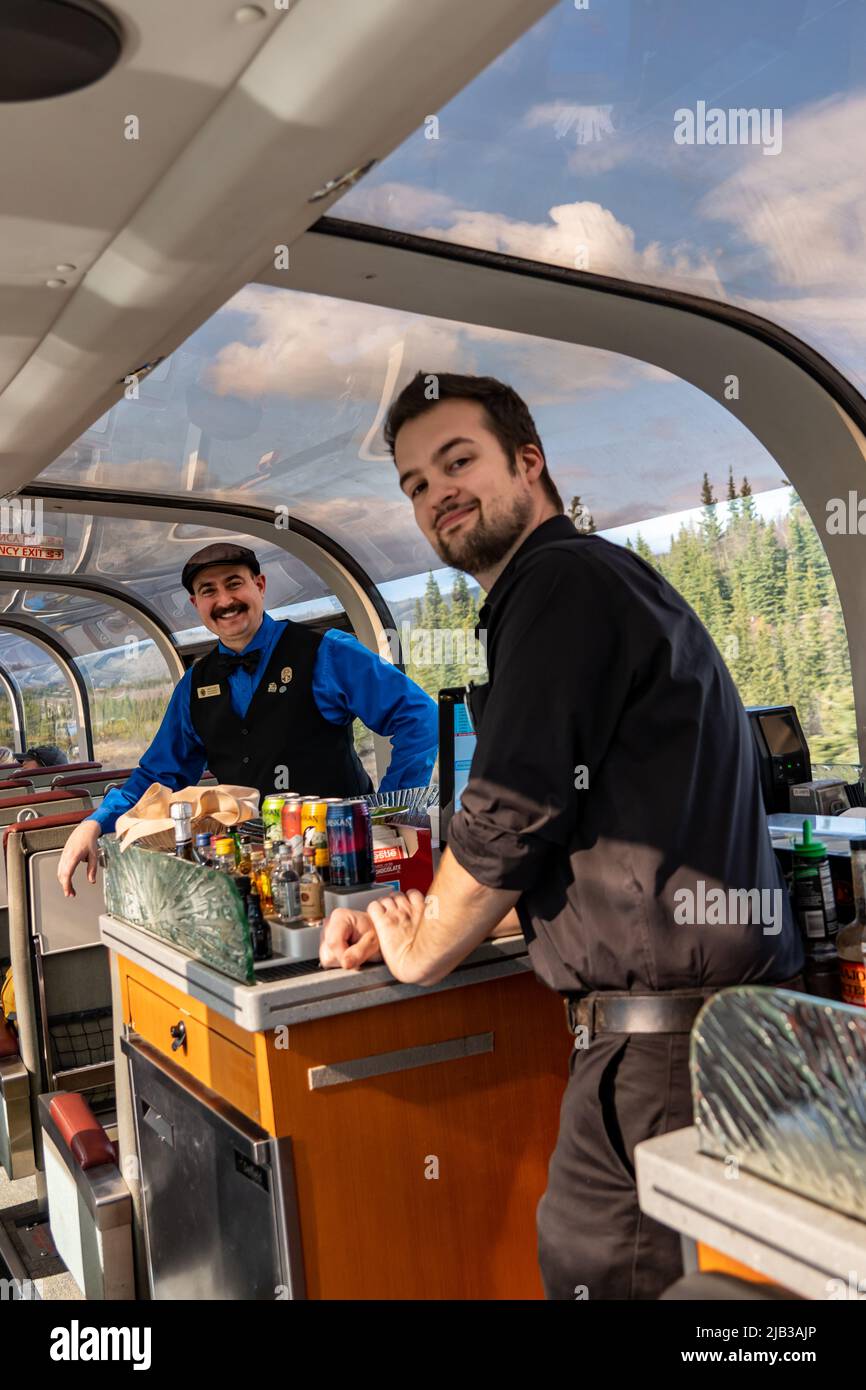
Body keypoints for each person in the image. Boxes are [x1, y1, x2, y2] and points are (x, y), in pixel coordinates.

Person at [320, 372, 804, 1301]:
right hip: (699, 1035)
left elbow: (507, 813)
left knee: (607, 1275)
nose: (436, 494)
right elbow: (580, 849)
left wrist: (422, 952)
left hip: (660, 1051)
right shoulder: (595, 581)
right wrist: (413, 919)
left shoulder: (556, 581)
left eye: (458, 461)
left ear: (529, 463)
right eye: (416, 485)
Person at [58, 542, 437, 896]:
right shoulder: (195, 685)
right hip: (252, 866)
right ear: (196, 603)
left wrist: (389, 811)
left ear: (259, 585)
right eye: (208, 591)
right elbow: (159, 776)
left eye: (234, 584)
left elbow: (421, 718)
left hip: (343, 857)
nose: (224, 601)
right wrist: (96, 823)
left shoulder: (327, 652)